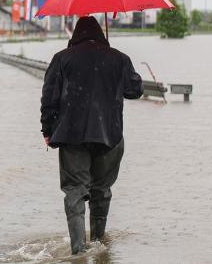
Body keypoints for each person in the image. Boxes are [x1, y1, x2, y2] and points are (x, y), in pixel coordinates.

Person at [40, 16, 144, 254]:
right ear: (101, 33)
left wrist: (47, 130)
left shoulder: (61, 59)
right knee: (101, 190)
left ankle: (79, 251)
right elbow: (135, 90)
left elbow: (49, 98)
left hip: (72, 135)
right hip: (110, 135)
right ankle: (98, 242)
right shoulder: (119, 58)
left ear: (75, 35)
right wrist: (120, 66)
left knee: (74, 192)